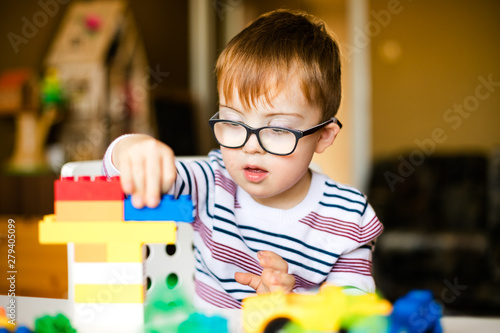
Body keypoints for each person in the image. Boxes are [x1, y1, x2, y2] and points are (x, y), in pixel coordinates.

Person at [102, 9, 383, 309]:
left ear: (323, 136)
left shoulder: (347, 217)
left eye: (277, 129)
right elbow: (116, 178)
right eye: (234, 123)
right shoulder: (209, 183)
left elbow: (355, 316)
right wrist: (134, 150)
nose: (251, 146)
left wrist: (289, 306)